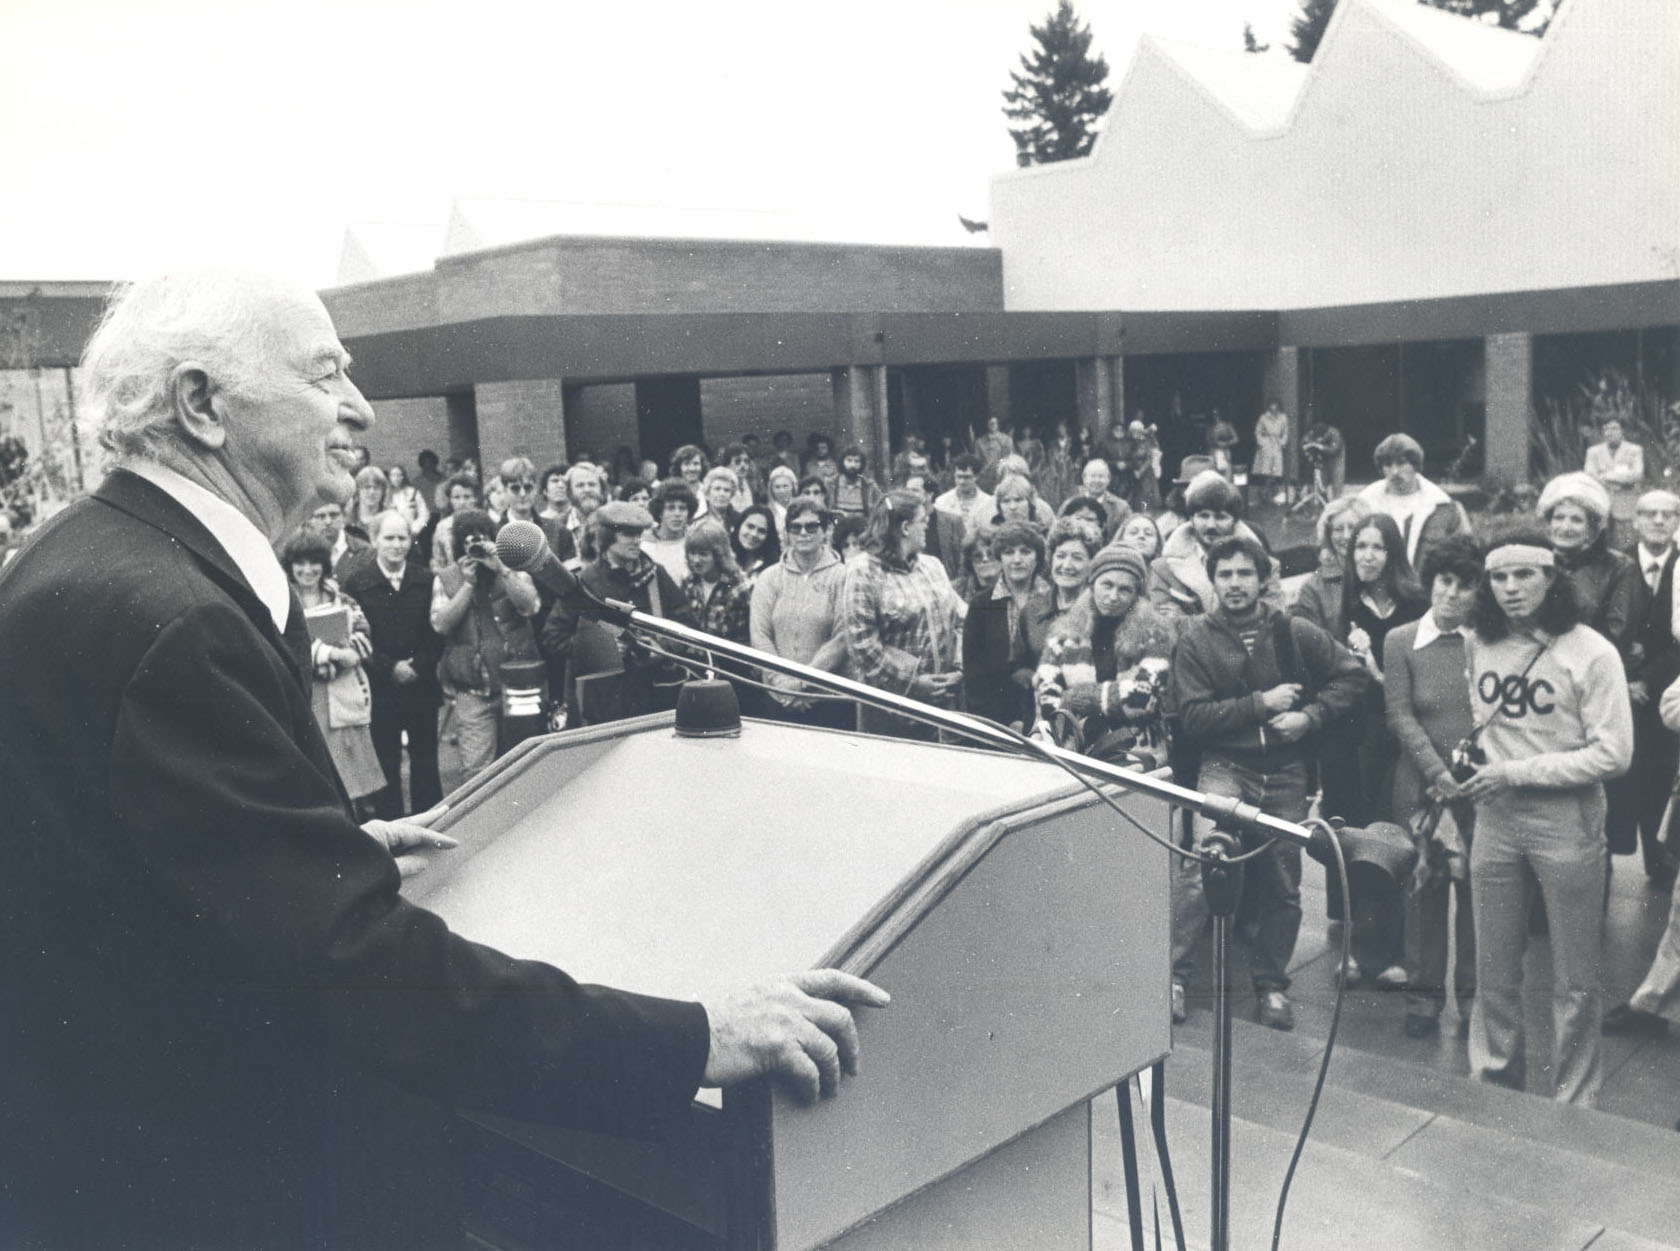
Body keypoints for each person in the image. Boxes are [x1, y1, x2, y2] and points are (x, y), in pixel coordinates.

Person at [0, 270, 885, 1248]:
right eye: (324, 374)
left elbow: (113, 859)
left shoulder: (81, 556)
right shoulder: (180, 620)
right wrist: (692, 1039)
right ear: (204, 406)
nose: (361, 408)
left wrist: (311, 843)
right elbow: (353, 969)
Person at [1460, 526, 1632, 1105]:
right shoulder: (1479, 642)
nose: (1511, 588)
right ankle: (1494, 1080)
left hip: (1568, 819)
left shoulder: (1592, 652)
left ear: (1552, 576)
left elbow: (1614, 753)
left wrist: (1515, 771)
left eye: (1524, 575)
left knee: (1575, 975)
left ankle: (1574, 1098)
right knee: (1493, 962)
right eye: (1499, 577)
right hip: (1495, 819)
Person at [1170, 535, 1367, 1031]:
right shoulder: (1196, 637)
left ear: (1263, 578)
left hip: (1285, 771)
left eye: (1244, 574)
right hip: (1225, 766)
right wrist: (1262, 704)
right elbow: (1192, 716)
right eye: (1225, 575)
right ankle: (1172, 975)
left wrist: (1310, 717)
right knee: (1204, 866)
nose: (1235, 585)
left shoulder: (1294, 631)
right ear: (1212, 581)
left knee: (1284, 878)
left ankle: (1272, 984)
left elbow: (1352, 676)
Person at [1384, 534, 1483, 1039]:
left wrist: (1468, 776)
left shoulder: (1485, 641)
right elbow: (1399, 715)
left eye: (1466, 586)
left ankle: (1471, 999)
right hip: (1421, 789)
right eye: (1444, 582)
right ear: (1430, 582)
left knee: (1474, 891)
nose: (1452, 595)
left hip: (1477, 790)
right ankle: (1424, 996)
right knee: (1424, 889)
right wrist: (1437, 772)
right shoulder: (1402, 640)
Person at [1330, 512, 1429, 985]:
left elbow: (1419, 683)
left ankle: (1398, 954)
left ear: (1393, 555)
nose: (1366, 556)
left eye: (1376, 547)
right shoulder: (1348, 604)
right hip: (1360, 732)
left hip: (1405, 730)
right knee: (1364, 835)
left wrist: (1372, 667)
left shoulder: (1416, 607)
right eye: (1359, 548)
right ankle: (1357, 951)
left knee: (1403, 835)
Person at [542, 500, 696, 723]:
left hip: (657, 697)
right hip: (606, 704)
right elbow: (552, 638)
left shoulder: (656, 575)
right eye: (627, 534)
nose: (637, 541)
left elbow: (687, 624)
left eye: (638, 534)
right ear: (606, 537)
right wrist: (601, 649)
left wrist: (663, 648)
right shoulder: (586, 581)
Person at [340, 509, 444, 821]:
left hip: (421, 686)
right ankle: (394, 829)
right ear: (374, 540)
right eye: (389, 538)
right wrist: (389, 668)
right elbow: (356, 637)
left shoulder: (425, 580)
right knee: (386, 763)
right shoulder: (357, 583)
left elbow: (436, 631)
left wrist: (419, 666)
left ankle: (431, 822)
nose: (397, 545)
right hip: (382, 690)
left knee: (426, 760)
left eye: (402, 538)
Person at [841, 489, 965, 740]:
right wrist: (913, 684)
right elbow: (862, 646)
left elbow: (961, 617)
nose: (927, 529)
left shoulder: (932, 566)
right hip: (889, 712)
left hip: (944, 708)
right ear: (906, 527)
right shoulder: (862, 572)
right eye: (923, 522)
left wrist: (960, 668)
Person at [1033, 545, 1176, 763]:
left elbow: (1142, 698)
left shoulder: (1155, 633)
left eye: (1124, 589)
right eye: (1106, 585)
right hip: (1075, 749)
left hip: (1138, 751)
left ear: (1137, 593)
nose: (1113, 596)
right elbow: (1047, 698)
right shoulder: (1063, 633)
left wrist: (1077, 698)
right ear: (1092, 585)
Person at [430, 507, 540, 781]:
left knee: (526, 764)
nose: (475, 548)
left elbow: (530, 606)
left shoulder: (512, 568)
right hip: (472, 689)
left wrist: (502, 569)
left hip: (517, 683)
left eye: (481, 540)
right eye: (468, 542)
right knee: (477, 773)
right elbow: (440, 624)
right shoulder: (446, 577)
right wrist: (467, 585)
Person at [282, 525, 388, 810]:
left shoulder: (341, 598)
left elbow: (364, 631)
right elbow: (287, 644)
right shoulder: (283, 602)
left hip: (344, 692)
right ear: (290, 567)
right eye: (300, 563)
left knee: (354, 777)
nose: (307, 570)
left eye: (314, 562)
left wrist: (352, 649)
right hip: (309, 695)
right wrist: (329, 652)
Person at [749, 496, 853, 729]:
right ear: (786, 533)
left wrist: (803, 684)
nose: (803, 533)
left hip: (828, 700)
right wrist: (781, 683)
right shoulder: (769, 577)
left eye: (811, 526)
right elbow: (760, 635)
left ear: (825, 530)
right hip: (777, 696)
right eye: (795, 528)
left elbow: (842, 638)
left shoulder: (844, 577)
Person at [1623, 490, 1680, 885]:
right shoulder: (1618, 565)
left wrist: (1650, 679)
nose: (1659, 521)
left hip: (1667, 691)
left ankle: (1662, 866)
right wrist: (1625, 679)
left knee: (1662, 773)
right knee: (1626, 777)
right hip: (1620, 689)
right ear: (1635, 521)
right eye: (1650, 514)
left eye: (1668, 514)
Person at [1149, 470, 1277, 621]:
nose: (1211, 525)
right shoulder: (1164, 569)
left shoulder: (1267, 566)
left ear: (1235, 521)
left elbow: (1272, 618)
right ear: (1191, 519)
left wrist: (1187, 620)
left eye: (1220, 517)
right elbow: (1163, 624)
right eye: (1203, 516)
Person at [963, 520, 1054, 731]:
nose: (1017, 560)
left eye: (1025, 551)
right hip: (995, 719)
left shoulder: (1052, 600)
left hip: (1045, 715)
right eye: (1009, 552)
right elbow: (974, 674)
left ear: (1038, 557)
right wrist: (1003, 724)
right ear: (999, 557)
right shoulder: (981, 605)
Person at [1356, 433, 1471, 570]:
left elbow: (1465, 556)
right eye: (1388, 464)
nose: (1395, 471)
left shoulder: (1444, 507)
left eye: (1401, 463)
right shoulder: (1363, 504)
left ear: (1416, 465)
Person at [1289, 496, 1372, 635]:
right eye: (1338, 529)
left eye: (1353, 528)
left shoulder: (1382, 576)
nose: (1346, 536)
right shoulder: (1313, 589)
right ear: (1328, 535)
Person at [682, 521, 751, 645]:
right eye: (692, 553)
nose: (696, 560)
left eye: (703, 554)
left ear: (719, 555)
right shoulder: (689, 582)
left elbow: (745, 638)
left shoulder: (738, 587)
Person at [1584, 417, 1644, 547]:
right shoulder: (1593, 452)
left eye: (1614, 428)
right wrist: (1619, 477)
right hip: (1601, 504)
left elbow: (1636, 474)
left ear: (1623, 431)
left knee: (1626, 544)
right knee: (1600, 543)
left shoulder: (1634, 450)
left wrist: (1605, 476)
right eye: (1605, 429)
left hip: (1625, 504)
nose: (1609, 432)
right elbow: (1589, 475)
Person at [907, 471, 964, 581]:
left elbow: (963, 562)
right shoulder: (903, 523)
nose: (908, 495)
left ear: (929, 494)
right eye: (907, 490)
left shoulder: (952, 522)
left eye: (914, 490)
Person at [642, 479, 698, 584]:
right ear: (660, 512)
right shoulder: (645, 546)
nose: (677, 514)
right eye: (670, 508)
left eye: (682, 508)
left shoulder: (695, 543)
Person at [1044, 517, 1099, 618]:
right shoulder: (1032, 610)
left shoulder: (1099, 611)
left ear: (1091, 563)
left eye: (1077, 558)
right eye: (1061, 556)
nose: (1067, 566)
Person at [309, 496, 370, 579]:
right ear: (311, 520)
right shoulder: (302, 551)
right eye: (321, 516)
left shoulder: (364, 551)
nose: (328, 522)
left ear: (344, 516)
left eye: (333, 515)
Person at [934, 452, 994, 533]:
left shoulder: (989, 503)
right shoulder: (942, 502)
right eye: (959, 477)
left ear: (976, 477)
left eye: (967, 477)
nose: (962, 481)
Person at [1077, 458, 1130, 541]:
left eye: (1101, 476)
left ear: (1108, 479)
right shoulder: (1070, 505)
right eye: (1093, 476)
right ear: (1084, 478)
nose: (1097, 480)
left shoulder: (1121, 508)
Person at [731, 503, 781, 584]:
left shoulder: (774, 569)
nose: (754, 534)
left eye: (761, 531)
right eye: (750, 526)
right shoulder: (724, 560)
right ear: (739, 525)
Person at [1253, 398, 1290, 505]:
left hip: (1277, 444)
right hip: (1267, 444)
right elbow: (1257, 431)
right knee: (1266, 469)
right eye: (1271, 405)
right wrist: (1262, 442)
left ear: (1278, 406)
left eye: (1275, 405)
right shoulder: (1263, 417)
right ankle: (1265, 494)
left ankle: (1271, 494)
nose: (1273, 407)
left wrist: (1283, 442)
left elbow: (1286, 432)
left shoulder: (1283, 417)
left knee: (1277, 470)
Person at [831, 444, 883, 518]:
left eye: (857, 461)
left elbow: (882, 507)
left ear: (862, 464)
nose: (853, 465)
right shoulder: (832, 484)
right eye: (849, 460)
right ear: (842, 461)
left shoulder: (869, 485)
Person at [344, 463, 388, 540]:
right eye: (367, 487)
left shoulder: (390, 518)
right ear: (358, 490)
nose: (372, 492)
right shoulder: (346, 519)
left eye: (376, 488)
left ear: (383, 492)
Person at [695, 464, 742, 532]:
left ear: (731, 495)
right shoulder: (698, 523)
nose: (722, 494)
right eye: (717, 489)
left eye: (726, 490)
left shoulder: (740, 521)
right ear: (707, 493)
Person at [387, 463, 430, 529]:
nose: (396, 478)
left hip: (410, 531)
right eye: (393, 475)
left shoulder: (413, 492)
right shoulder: (385, 494)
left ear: (404, 476)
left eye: (399, 475)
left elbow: (425, 514)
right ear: (389, 477)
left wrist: (415, 529)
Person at [766, 463, 799, 538]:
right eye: (777, 487)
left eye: (785, 486)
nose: (781, 491)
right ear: (771, 490)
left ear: (793, 487)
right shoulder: (768, 512)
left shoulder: (800, 507)